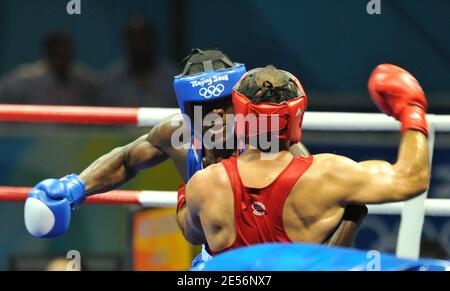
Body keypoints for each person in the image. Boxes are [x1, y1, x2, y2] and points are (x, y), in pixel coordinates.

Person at [23, 49, 364, 268]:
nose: (215, 116)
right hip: (213, 264)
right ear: (187, 112)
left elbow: (332, 231)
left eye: (223, 105)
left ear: (241, 102)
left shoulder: (275, 147)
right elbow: (126, 159)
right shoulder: (178, 136)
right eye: (202, 109)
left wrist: (335, 245)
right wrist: (74, 187)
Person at [177, 64, 430, 255]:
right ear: (295, 116)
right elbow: (411, 179)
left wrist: (186, 194)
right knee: (352, 208)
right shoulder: (327, 174)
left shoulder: (205, 183)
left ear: (242, 116)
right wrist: (412, 112)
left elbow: (192, 233)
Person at [0, 32, 98, 105]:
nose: (61, 57)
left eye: (65, 52)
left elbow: (102, 94)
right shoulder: (28, 78)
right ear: (48, 52)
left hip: (71, 132)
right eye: (57, 52)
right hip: (36, 131)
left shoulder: (82, 80)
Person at [100, 17, 178, 107]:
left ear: (153, 41)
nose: (139, 46)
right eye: (134, 40)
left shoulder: (173, 79)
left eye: (143, 40)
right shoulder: (110, 81)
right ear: (126, 43)